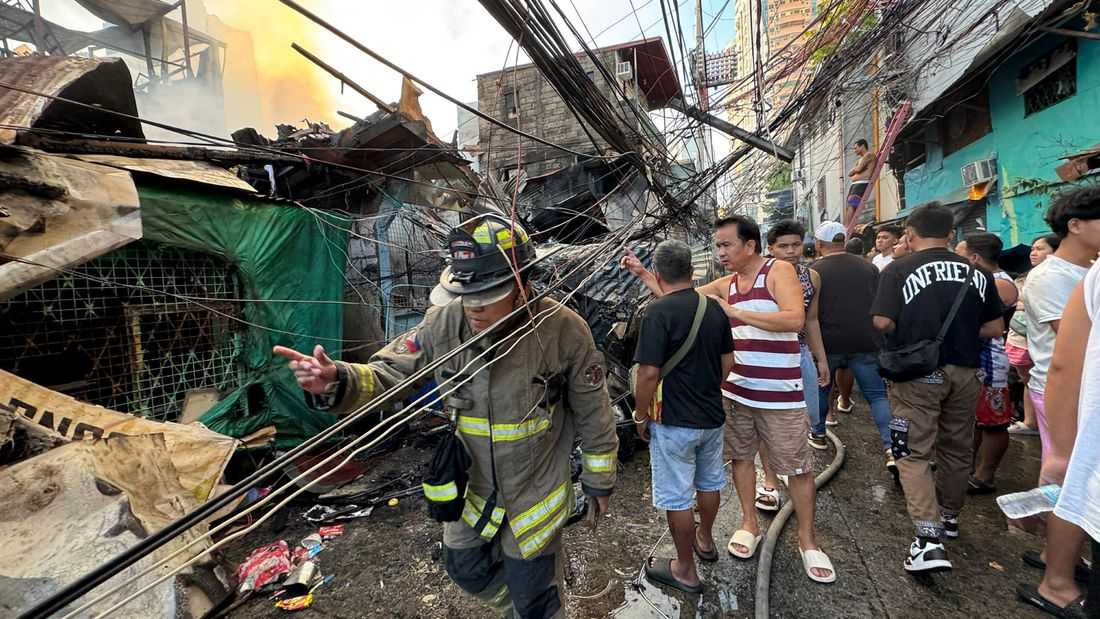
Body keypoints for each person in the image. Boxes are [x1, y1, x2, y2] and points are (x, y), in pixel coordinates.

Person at [275, 216, 619, 619]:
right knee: (465, 568)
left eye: (487, 294)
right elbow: (390, 372)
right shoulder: (442, 323)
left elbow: (595, 412)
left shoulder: (563, 330)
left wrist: (599, 482)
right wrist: (336, 379)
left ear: (522, 284)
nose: (474, 306)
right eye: (466, 293)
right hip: (475, 488)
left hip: (534, 493)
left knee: (534, 593)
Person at [622, 215, 835, 584]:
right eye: (717, 245)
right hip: (737, 392)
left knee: (797, 468)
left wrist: (736, 311)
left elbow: (794, 319)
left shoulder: (778, 271)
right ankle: (749, 523)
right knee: (741, 460)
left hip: (779, 394)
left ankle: (808, 540)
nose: (720, 252)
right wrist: (644, 274)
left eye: (726, 245)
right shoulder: (728, 283)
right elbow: (679, 297)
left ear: (749, 245)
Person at [871, 202, 1004, 573]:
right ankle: (949, 517)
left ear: (910, 234)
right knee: (957, 447)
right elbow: (995, 328)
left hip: (918, 374)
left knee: (912, 452)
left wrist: (914, 332)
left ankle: (928, 541)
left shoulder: (898, 269)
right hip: (966, 372)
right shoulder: (979, 273)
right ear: (950, 234)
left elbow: (881, 321)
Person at [631, 240, 734, 596]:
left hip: (673, 422)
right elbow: (728, 363)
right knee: (709, 482)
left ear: (658, 273)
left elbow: (648, 373)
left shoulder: (657, 313)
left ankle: (685, 570)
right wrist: (706, 388)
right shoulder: (714, 309)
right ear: (692, 271)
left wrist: (640, 415)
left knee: (676, 497)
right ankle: (705, 540)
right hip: (711, 417)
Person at [1018, 262, 1100, 618]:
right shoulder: (1056, 277)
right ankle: (1058, 573)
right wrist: (1063, 452)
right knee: (1073, 487)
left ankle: (1060, 565)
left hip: (1076, 412)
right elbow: (1064, 363)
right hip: (1067, 404)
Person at [1024, 186, 1100, 467]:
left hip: (1088, 387)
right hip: (1064, 392)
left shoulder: (1091, 270)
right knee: (1067, 473)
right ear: (1075, 225)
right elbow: (1077, 340)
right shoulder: (1049, 277)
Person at [812, 221, 895, 476]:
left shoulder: (814, 270)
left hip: (827, 343)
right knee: (877, 396)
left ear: (819, 244)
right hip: (865, 342)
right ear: (844, 241)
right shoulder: (869, 267)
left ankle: (818, 434)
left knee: (821, 389)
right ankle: (892, 448)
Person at [759, 220, 830, 514]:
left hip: (799, 352)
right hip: (766, 353)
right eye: (783, 246)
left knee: (806, 418)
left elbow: (811, 320)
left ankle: (795, 473)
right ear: (771, 248)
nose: (791, 251)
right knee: (766, 421)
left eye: (796, 245)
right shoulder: (759, 275)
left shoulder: (811, 277)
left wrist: (820, 358)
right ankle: (770, 481)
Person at [955, 233, 1019, 494]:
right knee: (974, 419)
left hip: (991, 360)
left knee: (993, 421)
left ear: (974, 257)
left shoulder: (1000, 283)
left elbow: (987, 324)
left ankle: (985, 475)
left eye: (959, 254)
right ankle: (966, 467)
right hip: (973, 356)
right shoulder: (979, 279)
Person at [1007, 235, 1060, 436]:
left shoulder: (1056, 277)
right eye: (1033, 249)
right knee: (1030, 382)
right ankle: (1031, 422)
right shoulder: (1027, 277)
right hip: (1023, 343)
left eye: (1040, 248)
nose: (1033, 253)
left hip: (1045, 347)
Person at [846, 139, 875, 226]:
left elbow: (858, 169)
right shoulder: (860, 159)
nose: (854, 151)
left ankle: (847, 226)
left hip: (862, 183)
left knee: (852, 204)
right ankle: (848, 225)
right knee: (849, 206)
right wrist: (855, 170)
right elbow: (850, 173)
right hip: (855, 184)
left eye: (856, 148)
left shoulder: (869, 155)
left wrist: (855, 170)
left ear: (862, 146)